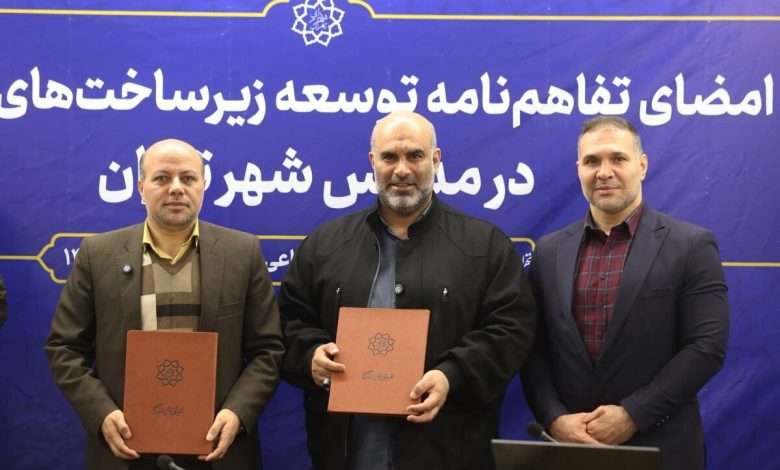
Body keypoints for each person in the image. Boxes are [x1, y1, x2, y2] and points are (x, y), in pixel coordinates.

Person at [279, 111, 537, 470]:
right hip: (345, 452)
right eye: (390, 157)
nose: (402, 170)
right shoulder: (325, 245)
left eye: (415, 155)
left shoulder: (485, 246)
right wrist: (311, 357)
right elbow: (289, 323)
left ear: (435, 159)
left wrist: (451, 376)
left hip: (448, 450)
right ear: (373, 161)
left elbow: (510, 330)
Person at [45, 139, 285, 470]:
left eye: (188, 178)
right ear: (141, 188)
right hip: (126, 448)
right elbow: (64, 347)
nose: (176, 188)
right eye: (162, 178)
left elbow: (268, 350)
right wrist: (101, 413)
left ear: (203, 186)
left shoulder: (243, 253)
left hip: (217, 448)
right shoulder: (97, 254)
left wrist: (238, 412)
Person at [521, 116, 729, 470]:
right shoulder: (549, 252)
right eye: (592, 161)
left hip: (662, 450)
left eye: (618, 158)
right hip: (571, 451)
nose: (604, 172)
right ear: (578, 169)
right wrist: (555, 419)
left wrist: (633, 414)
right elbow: (533, 349)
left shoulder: (691, 245)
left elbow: (707, 347)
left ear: (642, 165)